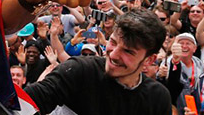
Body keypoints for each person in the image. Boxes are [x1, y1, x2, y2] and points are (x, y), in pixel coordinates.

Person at [24, 8, 171, 115]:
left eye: (128, 51)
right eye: (112, 42)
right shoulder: (79, 70)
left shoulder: (157, 97)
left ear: (149, 60)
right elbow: (21, 106)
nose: (113, 55)